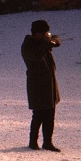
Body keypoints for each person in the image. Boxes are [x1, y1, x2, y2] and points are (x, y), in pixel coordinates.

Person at [21, 19, 61, 152]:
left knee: (50, 115)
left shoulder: (42, 42)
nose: (46, 35)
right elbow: (38, 55)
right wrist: (46, 43)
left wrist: (52, 41)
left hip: (49, 84)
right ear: (37, 34)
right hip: (37, 85)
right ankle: (33, 142)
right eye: (43, 33)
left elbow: (57, 39)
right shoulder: (28, 45)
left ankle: (47, 142)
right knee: (38, 114)